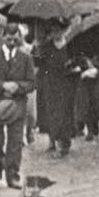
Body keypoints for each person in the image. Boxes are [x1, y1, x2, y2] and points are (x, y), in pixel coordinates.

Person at [0, 25, 35, 189]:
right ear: (2, 37)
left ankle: (13, 175)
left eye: (15, 39)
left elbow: (31, 83)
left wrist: (17, 86)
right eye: (8, 39)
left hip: (17, 104)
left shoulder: (25, 58)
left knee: (15, 141)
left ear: (19, 38)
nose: (12, 42)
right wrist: (3, 85)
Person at [34, 23, 78, 158]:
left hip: (66, 84)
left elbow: (78, 62)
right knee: (52, 113)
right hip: (50, 84)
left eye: (58, 31)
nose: (56, 34)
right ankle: (54, 140)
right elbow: (39, 64)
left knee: (65, 113)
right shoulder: (46, 47)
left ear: (63, 31)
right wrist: (36, 52)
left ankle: (65, 142)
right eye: (53, 31)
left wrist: (73, 67)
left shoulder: (71, 46)